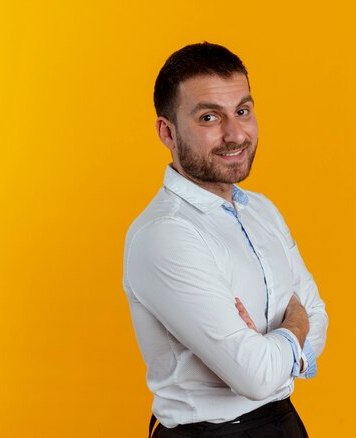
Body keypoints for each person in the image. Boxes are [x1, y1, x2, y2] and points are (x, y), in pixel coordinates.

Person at [123, 42, 328, 437]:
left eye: (243, 111)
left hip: (284, 423)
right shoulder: (165, 234)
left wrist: (275, 345)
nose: (234, 134)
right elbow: (255, 376)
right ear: (168, 131)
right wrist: (294, 323)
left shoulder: (262, 211)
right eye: (209, 117)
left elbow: (318, 317)